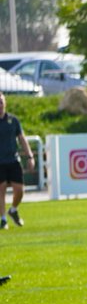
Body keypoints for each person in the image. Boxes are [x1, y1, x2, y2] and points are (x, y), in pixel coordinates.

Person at [0, 94, 34, 229]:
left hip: (13, 160)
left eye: (1, 102)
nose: (0, 105)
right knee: (1, 189)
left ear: (5, 103)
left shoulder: (13, 121)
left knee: (19, 190)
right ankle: (3, 219)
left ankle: (13, 210)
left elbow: (22, 139)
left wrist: (30, 156)